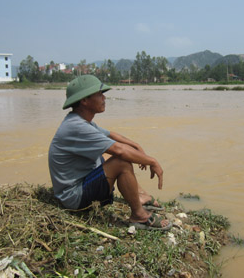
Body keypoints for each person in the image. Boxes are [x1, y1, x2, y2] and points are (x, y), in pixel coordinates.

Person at [48, 75, 171, 230]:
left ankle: (141, 196)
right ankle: (139, 216)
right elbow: (118, 150)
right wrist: (151, 161)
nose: (104, 98)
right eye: (99, 94)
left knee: (108, 153)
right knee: (121, 161)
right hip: (74, 198)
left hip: (78, 185)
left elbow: (110, 135)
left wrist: (136, 145)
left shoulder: (81, 121)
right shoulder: (77, 126)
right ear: (84, 100)